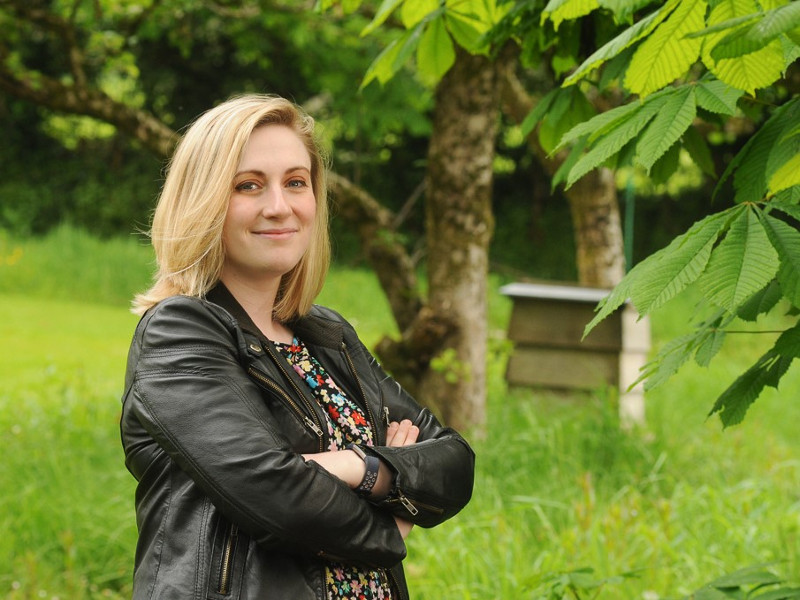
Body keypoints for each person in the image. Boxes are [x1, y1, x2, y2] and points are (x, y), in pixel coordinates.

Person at [120, 94, 475, 600]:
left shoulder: (327, 335)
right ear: (202, 200)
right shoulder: (179, 332)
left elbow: (453, 461)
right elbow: (275, 494)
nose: (278, 207)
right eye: (248, 186)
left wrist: (359, 467)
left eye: (295, 183)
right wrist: (390, 524)